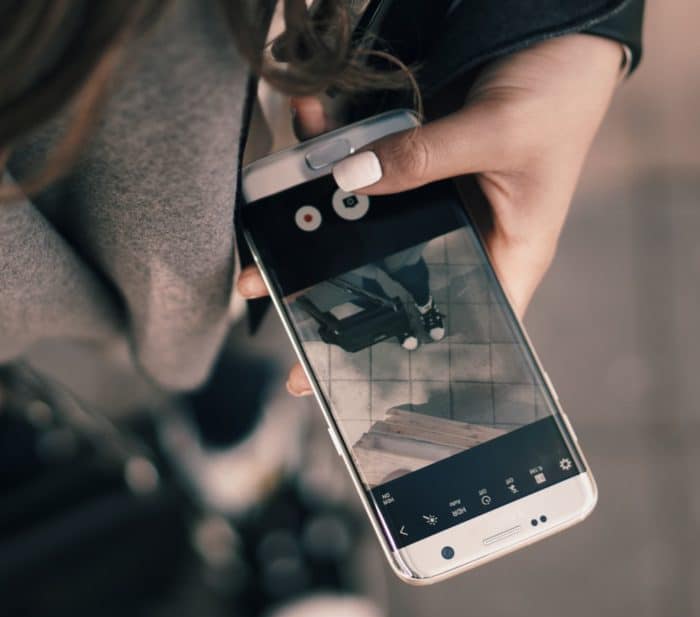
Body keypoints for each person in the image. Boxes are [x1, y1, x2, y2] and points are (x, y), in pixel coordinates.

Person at [0, 0, 645, 401]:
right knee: (223, 339)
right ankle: (222, 411)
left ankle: (224, 408)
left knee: (251, 329)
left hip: (180, 264)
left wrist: (570, 30)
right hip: (100, 258)